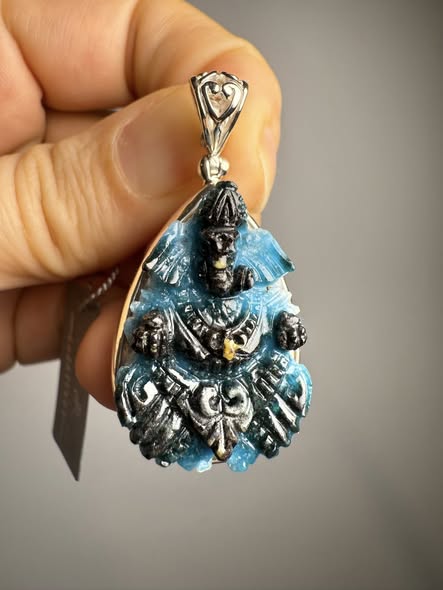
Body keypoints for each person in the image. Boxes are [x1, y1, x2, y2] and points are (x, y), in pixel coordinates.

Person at [0, 0, 281, 410]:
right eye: (216, 239)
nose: (221, 246)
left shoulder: (242, 279)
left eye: (226, 239)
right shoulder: (178, 269)